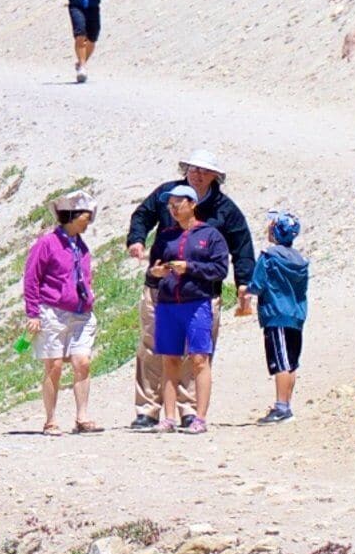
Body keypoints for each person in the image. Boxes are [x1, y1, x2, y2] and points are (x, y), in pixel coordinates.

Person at [124, 156, 255, 429]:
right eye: (193, 169)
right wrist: (137, 240)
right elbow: (142, 215)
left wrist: (244, 282)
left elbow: (242, 247)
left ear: (215, 177)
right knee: (153, 348)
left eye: (205, 171)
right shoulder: (166, 193)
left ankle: (190, 410)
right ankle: (148, 409)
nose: (197, 174)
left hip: (202, 294)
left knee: (197, 353)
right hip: (161, 292)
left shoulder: (225, 210)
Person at [144, 186, 230, 432]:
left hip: (197, 303)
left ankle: (199, 417)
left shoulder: (210, 235)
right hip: (168, 304)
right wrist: (155, 273)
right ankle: (169, 417)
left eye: (178, 204)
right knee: (169, 360)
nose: (173, 209)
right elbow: (152, 272)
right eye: (170, 205)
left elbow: (220, 270)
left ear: (192, 204)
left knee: (200, 359)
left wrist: (189, 267)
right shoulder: (165, 236)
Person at [22, 196, 101, 433]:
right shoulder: (46, 244)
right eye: (86, 217)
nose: (89, 222)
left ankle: (82, 417)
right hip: (52, 312)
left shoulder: (81, 246)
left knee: (82, 362)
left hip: (81, 312)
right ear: (72, 217)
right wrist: (33, 313)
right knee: (54, 365)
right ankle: (50, 420)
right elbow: (32, 278)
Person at [252, 211, 310, 422]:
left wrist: (245, 292)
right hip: (296, 315)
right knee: (291, 362)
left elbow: (257, 285)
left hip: (276, 314)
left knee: (281, 362)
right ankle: (286, 404)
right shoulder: (300, 260)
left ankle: (281, 408)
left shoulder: (268, 257)